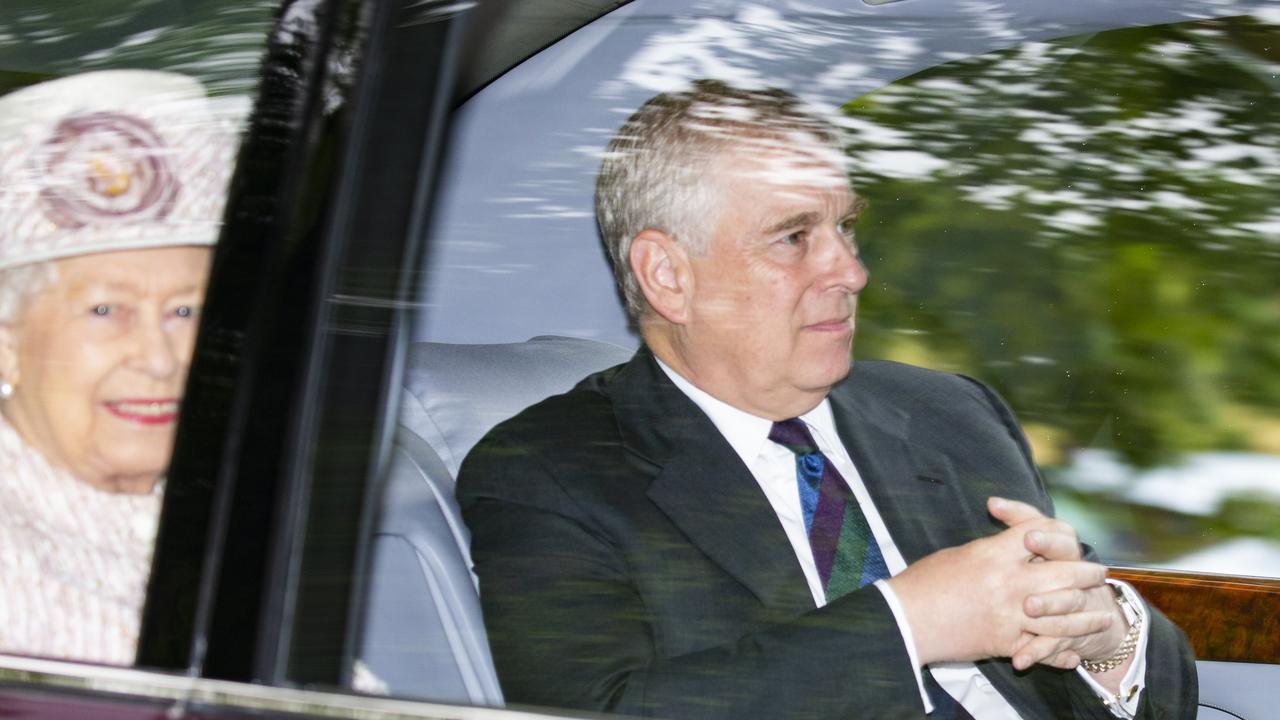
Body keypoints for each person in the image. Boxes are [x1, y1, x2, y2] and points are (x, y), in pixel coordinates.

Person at [457, 80, 1197, 718]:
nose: (851, 271)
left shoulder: (951, 413)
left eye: (844, 226)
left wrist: (1110, 636)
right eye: (793, 237)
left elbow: (1153, 683)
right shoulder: (554, 472)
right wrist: (911, 622)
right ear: (667, 276)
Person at [0, 70, 238, 664]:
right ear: (6, 340)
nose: (161, 359)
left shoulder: (233, 502)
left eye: (186, 310)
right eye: (106, 310)